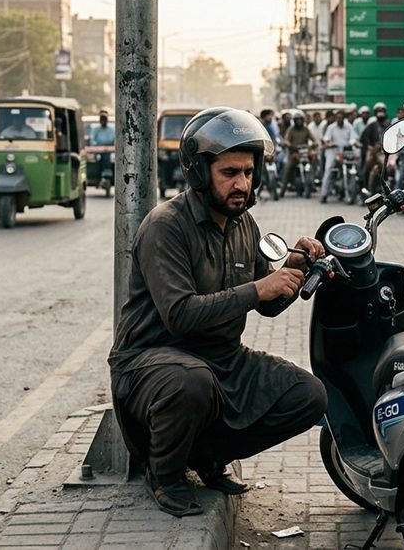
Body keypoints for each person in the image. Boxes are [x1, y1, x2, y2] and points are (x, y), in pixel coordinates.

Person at [109, 107, 327, 517]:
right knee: (192, 382)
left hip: (222, 360)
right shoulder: (166, 226)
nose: (241, 183)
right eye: (229, 173)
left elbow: (267, 302)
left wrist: (293, 268)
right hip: (151, 362)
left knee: (309, 395)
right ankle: (166, 475)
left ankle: (205, 457)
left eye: (248, 172)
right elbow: (180, 315)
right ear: (198, 173)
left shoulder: (244, 225)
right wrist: (257, 288)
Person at [320, 110, 355, 203]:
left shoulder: (349, 127)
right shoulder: (331, 127)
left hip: (345, 152)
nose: (340, 119)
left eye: (341, 117)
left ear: (344, 118)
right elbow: (326, 138)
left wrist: (353, 143)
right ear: (336, 118)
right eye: (338, 117)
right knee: (328, 169)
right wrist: (328, 143)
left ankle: (351, 192)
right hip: (333, 151)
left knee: (351, 170)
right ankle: (324, 194)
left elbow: (353, 138)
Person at [281, 111, 317, 197]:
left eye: (300, 120)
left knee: (314, 161)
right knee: (288, 168)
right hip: (294, 153)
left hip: (304, 153)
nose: (299, 122)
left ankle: (313, 181)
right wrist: (288, 144)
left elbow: (314, 139)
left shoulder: (306, 129)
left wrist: (315, 143)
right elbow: (286, 139)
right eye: (297, 120)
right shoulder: (291, 129)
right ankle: (283, 190)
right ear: (294, 121)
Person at [359, 103, 389, 193]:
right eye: (379, 112)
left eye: (382, 112)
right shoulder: (371, 125)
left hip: (385, 151)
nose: (381, 114)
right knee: (367, 163)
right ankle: (365, 187)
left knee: (387, 166)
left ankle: (386, 185)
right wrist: (370, 147)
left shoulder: (388, 125)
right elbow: (363, 138)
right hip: (373, 150)